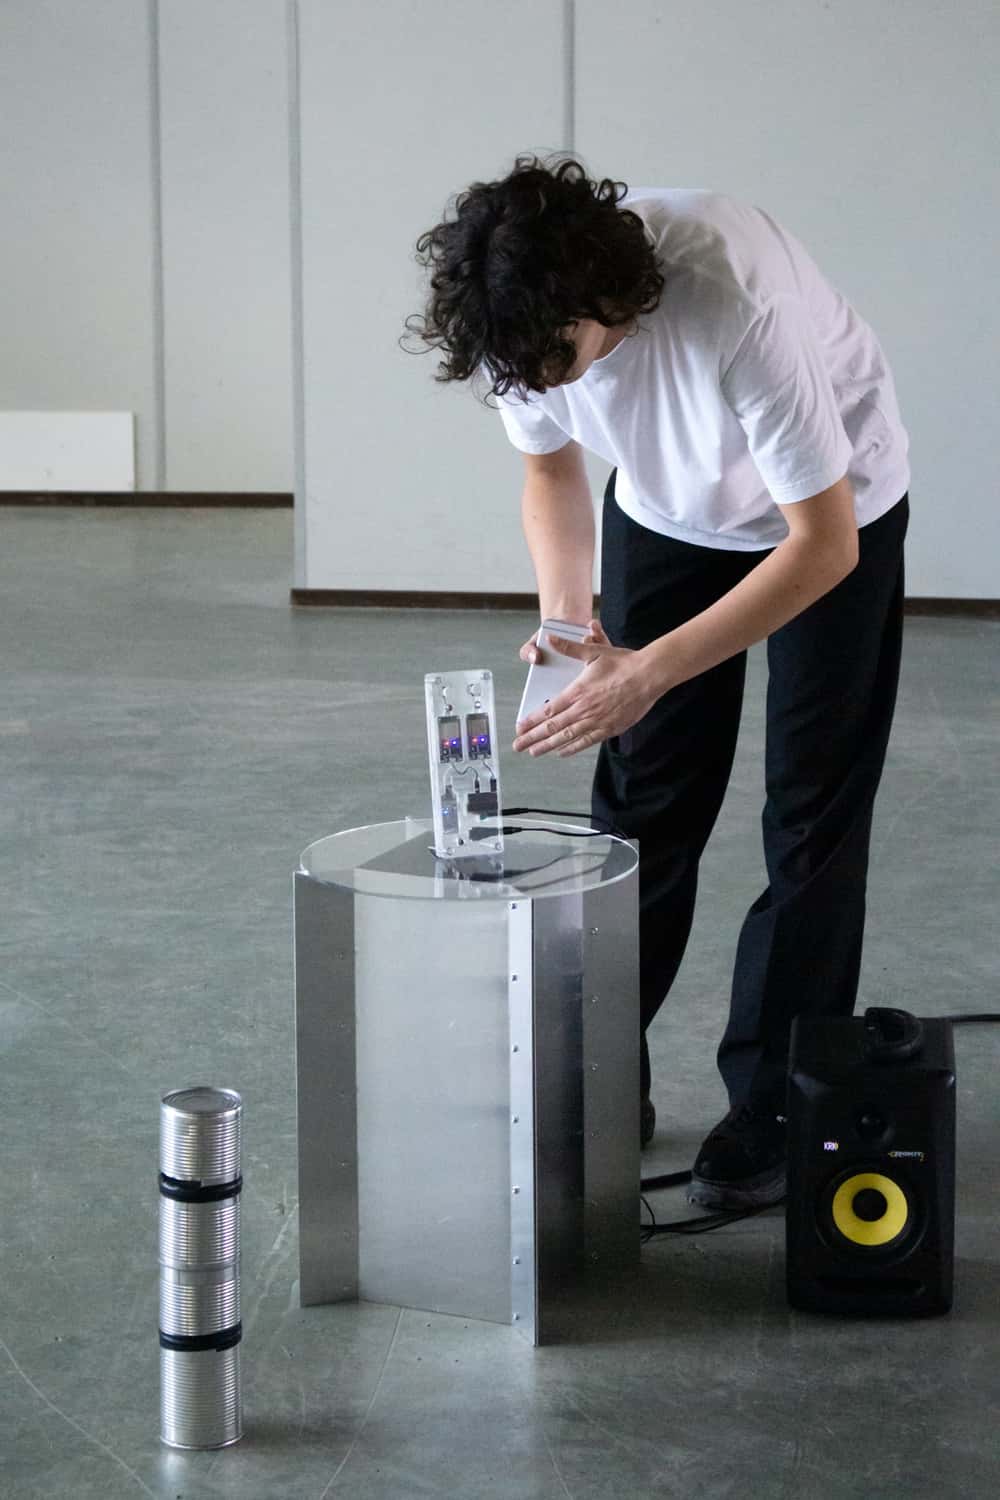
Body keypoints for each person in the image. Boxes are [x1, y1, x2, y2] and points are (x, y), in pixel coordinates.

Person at [407, 155, 910, 1210]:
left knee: (811, 809)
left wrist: (653, 670)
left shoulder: (731, 302)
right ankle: (597, 1077)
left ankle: (774, 1106)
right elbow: (549, 469)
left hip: (830, 511)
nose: (541, 383)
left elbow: (820, 547)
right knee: (642, 803)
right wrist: (567, 623)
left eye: (560, 359)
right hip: (669, 513)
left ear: (605, 304)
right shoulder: (523, 324)